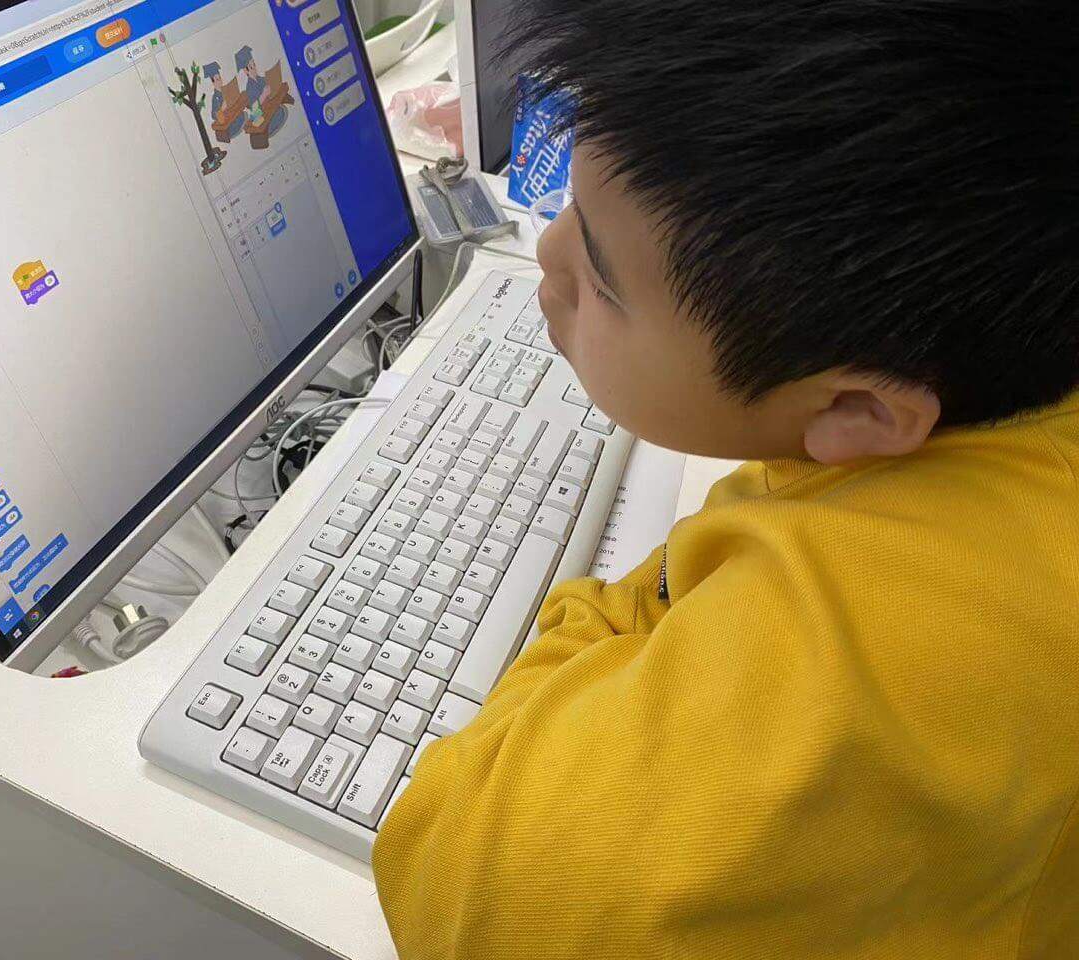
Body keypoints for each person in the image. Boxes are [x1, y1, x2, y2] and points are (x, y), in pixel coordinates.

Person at [372, 1, 1079, 957]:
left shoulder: (866, 660)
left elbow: (458, 883)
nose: (548, 255)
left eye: (604, 281)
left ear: (859, 411)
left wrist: (606, 616)